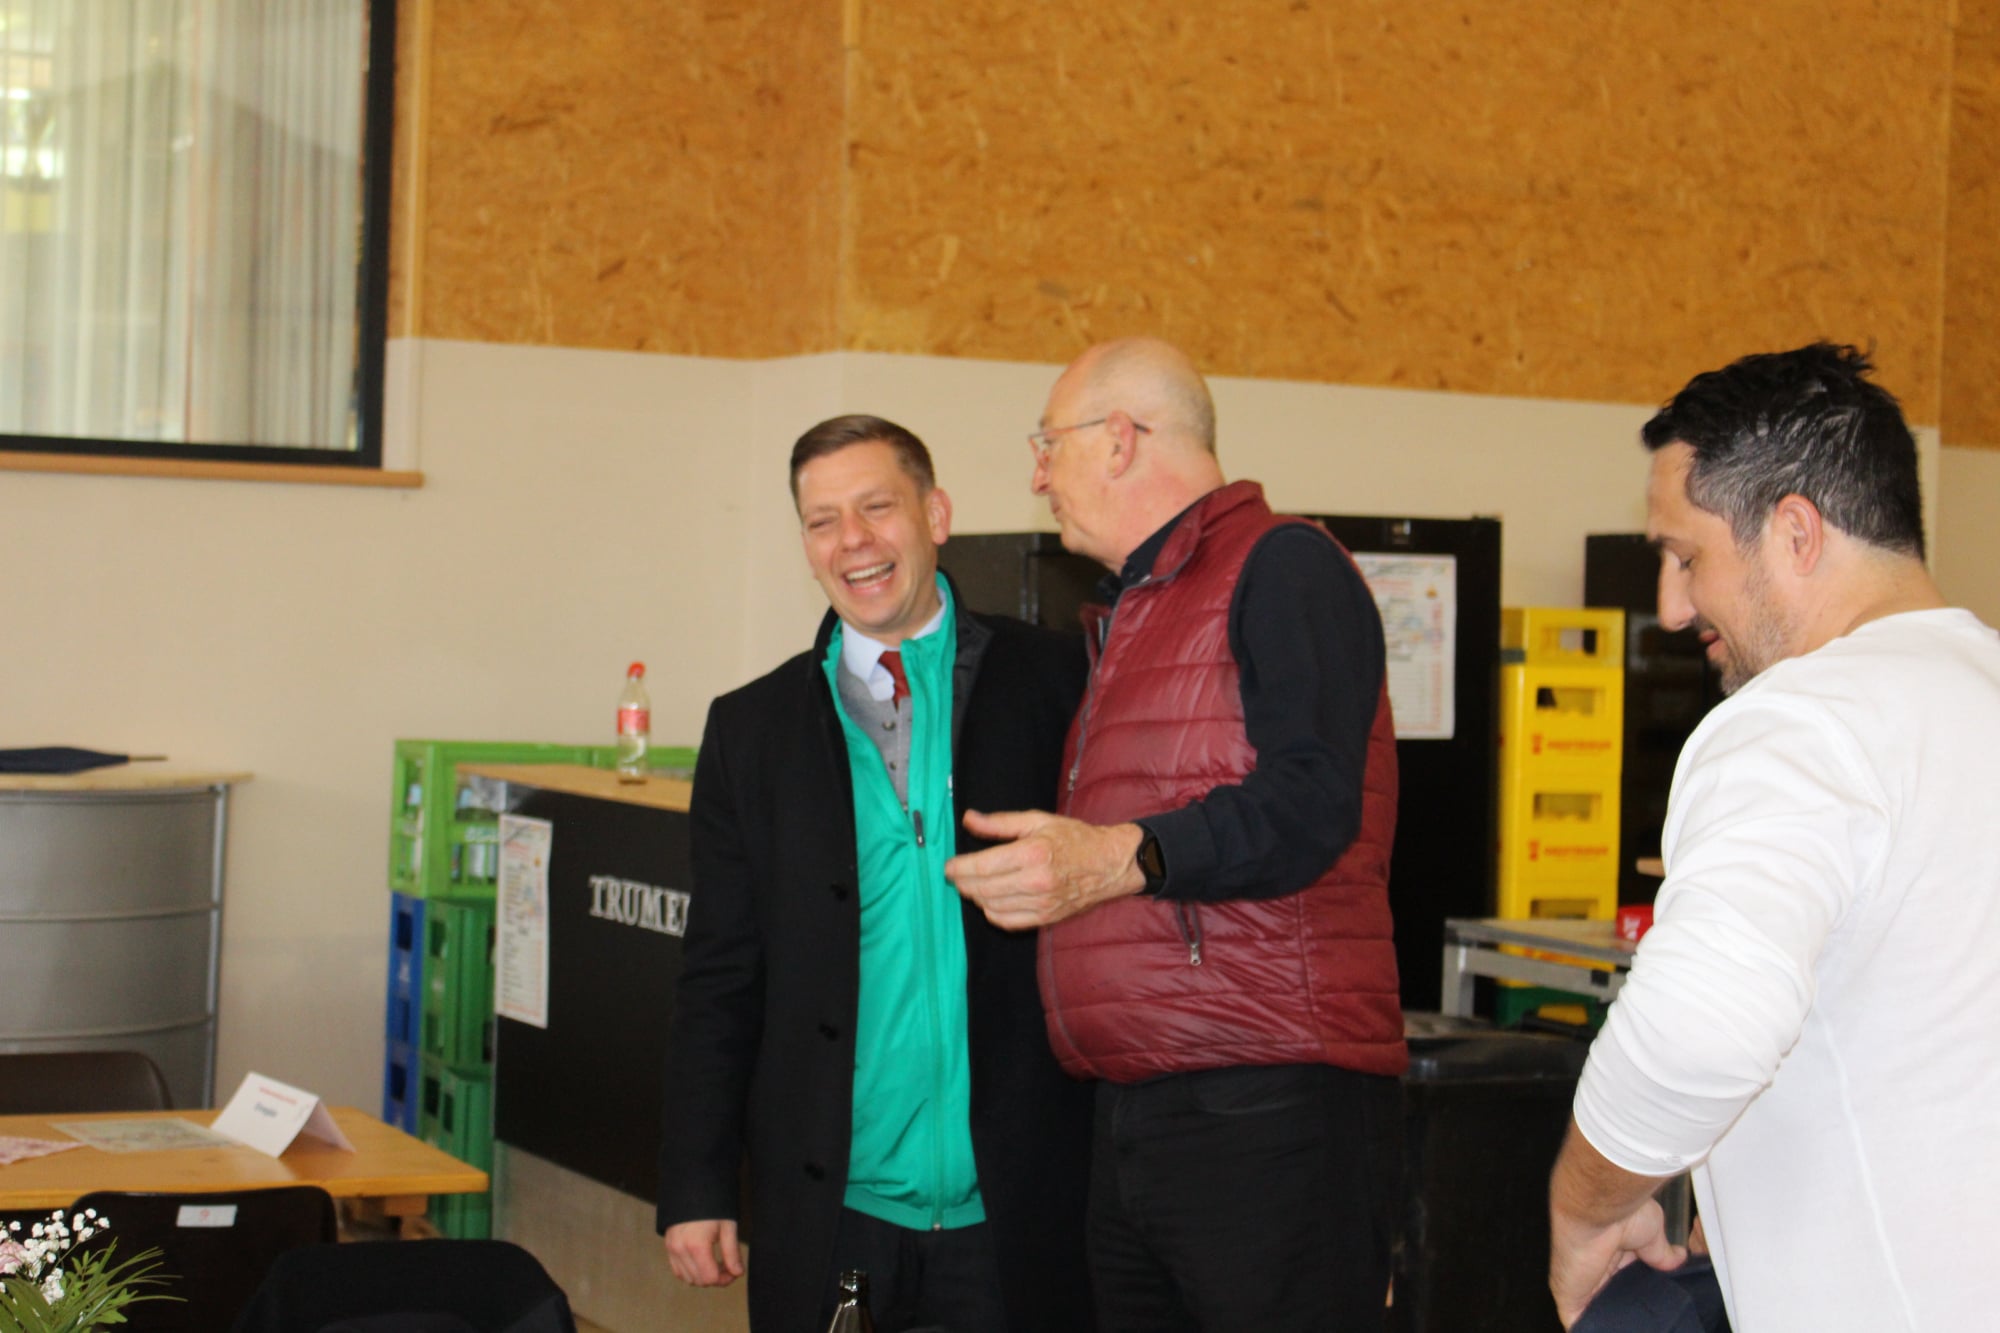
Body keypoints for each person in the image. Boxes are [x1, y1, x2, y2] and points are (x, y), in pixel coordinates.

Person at [943, 338, 1407, 1332]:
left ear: (1119, 440)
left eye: (1047, 445)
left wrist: (1117, 857)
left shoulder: (1283, 565)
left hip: (1264, 1108)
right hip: (1137, 1113)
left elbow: (1312, 802)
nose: (1036, 476)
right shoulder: (1136, 611)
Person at [1547, 343, 2000, 1330]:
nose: (1670, 606)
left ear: (1794, 532)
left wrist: (1586, 1209)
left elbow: (1696, 1034)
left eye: (1685, 558)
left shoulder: (1796, 721)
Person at [655, 415, 1096, 1333]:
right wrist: (697, 1181)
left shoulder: (1058, 684)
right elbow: (720, 976)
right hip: (837, 1220)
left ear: (936, 515)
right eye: (823, 520)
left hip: (1019, 1214)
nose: (851, 540)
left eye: (876, 507)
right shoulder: (752, 730)